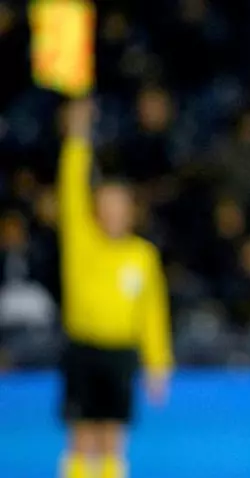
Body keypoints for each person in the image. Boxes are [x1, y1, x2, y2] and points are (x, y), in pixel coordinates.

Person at [57, 97, 173, 478]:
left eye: (119, 205)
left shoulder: (142, 256)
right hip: (83, 348)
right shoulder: (82, 242)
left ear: (131, 211)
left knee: (113, 437)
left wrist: (158, 363)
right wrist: (78, 138)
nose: (112, 212)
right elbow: (71, 188)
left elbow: (152, 311)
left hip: (121, 353)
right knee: (82, 437)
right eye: (106, 204)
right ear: (96, 209)